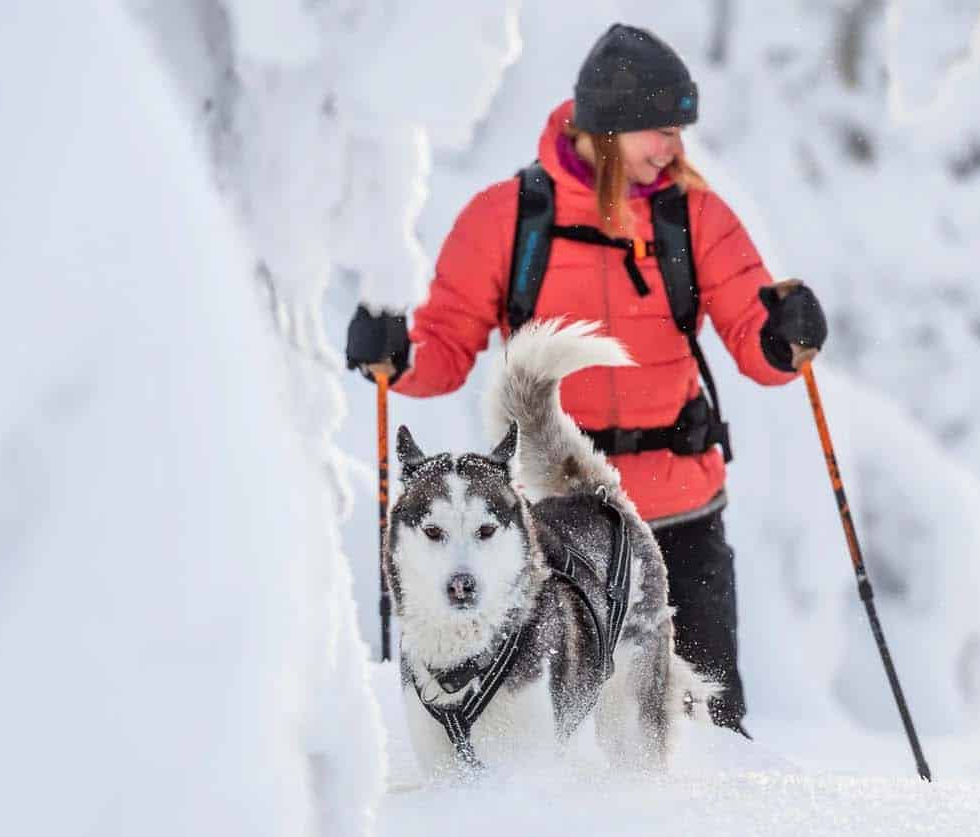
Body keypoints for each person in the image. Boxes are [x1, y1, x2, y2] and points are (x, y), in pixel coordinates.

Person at [344, 23, 826, 736]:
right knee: (570, 738)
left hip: (682, 508)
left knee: (709, 726)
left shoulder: (693, 216)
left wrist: (786, 337)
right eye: (657, 130)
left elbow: (753, 336)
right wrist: (395, 352)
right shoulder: (507, 220)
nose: (673, 147)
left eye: (678, 130)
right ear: (607, 127)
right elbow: (443, 347)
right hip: (566, 520)